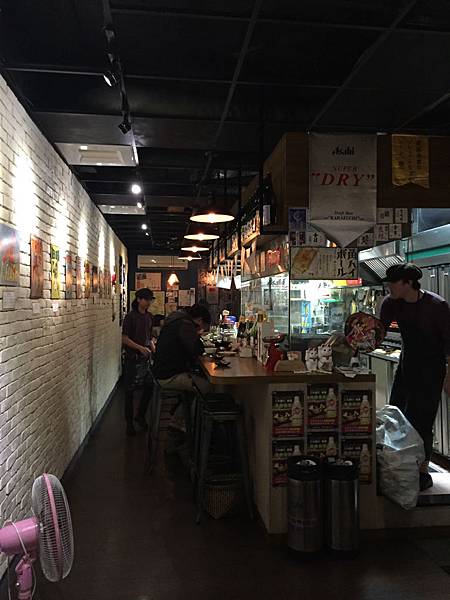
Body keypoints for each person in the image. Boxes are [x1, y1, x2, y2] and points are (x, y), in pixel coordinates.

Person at [380, 263, 450, 490]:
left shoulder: (436, 306)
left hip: (432, 370)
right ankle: (399, 466)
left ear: (408, 283)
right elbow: (378, 332)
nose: (389, 287)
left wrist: (449, 376)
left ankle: (422, 471)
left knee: (423, 421)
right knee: (397, 416)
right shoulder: (391, 303)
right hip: (407, 367)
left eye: (393, 283)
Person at [153, 303, 211, 397]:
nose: (202, 329)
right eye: (203, 327)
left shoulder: (177, 320)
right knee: (207, 386)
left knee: (200, 377)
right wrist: (197, 334)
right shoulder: (185, 324)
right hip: (168, 376)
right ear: (200, 320)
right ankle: (193, 406)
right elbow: (198, 349)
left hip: (162, 371)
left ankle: (188, 405)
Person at [122, 288, 155, 436]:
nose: (148, 302)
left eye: (150, 300)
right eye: (146, 299)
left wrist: (153, 348)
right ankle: (129, 423)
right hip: (132, 359)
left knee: (149, 387)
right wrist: (140, 348)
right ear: (139, 299)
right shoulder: (130, 317)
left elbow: (149, 336)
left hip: (145, 359)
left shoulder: (149, 317)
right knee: (129, 392)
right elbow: (124, 338)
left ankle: (140, 415)